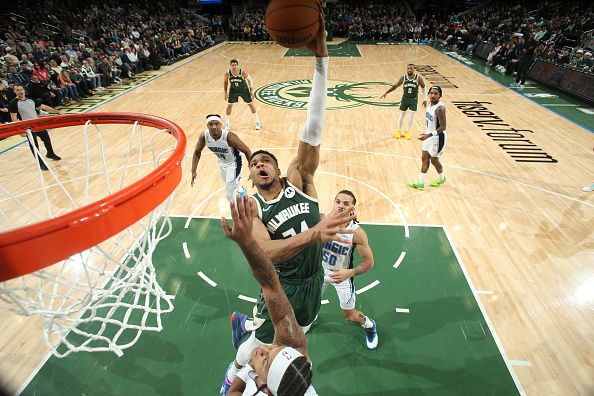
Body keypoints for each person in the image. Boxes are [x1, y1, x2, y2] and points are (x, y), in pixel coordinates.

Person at [220, 22, 355, 395]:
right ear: (252, 176)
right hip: (280, 289)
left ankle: (244, 351)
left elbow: (313, 127)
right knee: (255, 352)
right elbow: (264, 252)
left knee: (298, 346)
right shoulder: (251, 207)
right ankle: (232, 371)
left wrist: (321, 60)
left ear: (281, 169)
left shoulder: (301, 181)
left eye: (266, 161)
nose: (259, 164)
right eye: (254, 163)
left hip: (313, 284)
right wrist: (314, 233)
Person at [223, 196, 317, 396]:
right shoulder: (296, 357)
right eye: (275, 348)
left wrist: (244, 375)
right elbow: (271, 286)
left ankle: (232, 369)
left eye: (266, 359)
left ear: (264, 388)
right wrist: (248, 243)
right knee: (257, 346)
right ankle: (246, 330)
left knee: (251, 353)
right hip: (303, 284)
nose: (265, 349)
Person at [321, 190, 378, 350]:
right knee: (310, 303)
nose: (340, 206)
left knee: (349, 315)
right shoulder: (323, 221)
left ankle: (368, 324)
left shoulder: (357, 233)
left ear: (352, 208)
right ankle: (308, 320)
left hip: (342, 276)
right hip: (320, 272)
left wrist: (350, 273)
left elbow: (369, 262)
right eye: (337, 201)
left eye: (345, 204)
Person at [191, 114, 252, 201]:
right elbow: (197, 152)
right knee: (229, 182)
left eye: (216, 124)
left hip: (234, 163)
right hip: (222, 162)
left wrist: (252, 170)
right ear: (207, 126)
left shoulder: (229, 137)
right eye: (211, 124)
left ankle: (238, 213)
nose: (214, 126)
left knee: (229, 195)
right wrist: (193, 171)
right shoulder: (204, 136)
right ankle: (242, 191)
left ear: (220, 125)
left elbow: (247, 151)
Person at [8, 84, 64, 171]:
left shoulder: (31, 99)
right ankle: (40, 162)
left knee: (46, 139)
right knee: (34, 145)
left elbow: (44, 107)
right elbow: (14, 118)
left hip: (37, 124)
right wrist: (20, 131)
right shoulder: (13, 103)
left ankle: (50, 153)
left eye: (21, 89)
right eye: (18, 90)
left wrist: (57, 111)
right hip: (27, 127)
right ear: (14, 91)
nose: (21, 91)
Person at [407, 85, 447, 190]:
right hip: (429, 136)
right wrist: (427, 133)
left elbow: (443, 127)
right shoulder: (430, 104)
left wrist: (428, 135)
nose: (433, 95)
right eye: (431, 93)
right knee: (424, 159)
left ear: (440, 95)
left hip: (438, 138)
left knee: (433, 160)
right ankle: (420, 183)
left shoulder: (440, 108)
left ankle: (442, 178)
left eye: (436, 94)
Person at [379, 63, 427, 140]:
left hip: (413, 99)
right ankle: (398, 131)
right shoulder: (403, 78)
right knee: (401, 115)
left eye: (411, 68)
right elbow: (395, 86)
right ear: (406, 69)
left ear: (414, 70)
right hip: (405, 98)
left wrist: (425, 99)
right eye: (408, 68)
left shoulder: (418, 78)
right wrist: (386, 92)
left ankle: (407, 131)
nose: (410, 70)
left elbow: (424, 88)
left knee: (411, 116)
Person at [224, 59, 261, 130]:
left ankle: (257, 122)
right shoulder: (228, 73)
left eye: (235, 65)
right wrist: (225, 93)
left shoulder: (242, 72)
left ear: (237, 65)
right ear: (230, 66)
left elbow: (250, 80)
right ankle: (227, 123)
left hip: (243, 90)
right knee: (229, 105)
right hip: (233, 90)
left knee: (251, 104)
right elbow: (225, 83)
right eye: (232, 65)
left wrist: (251, 91)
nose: (234, 66)